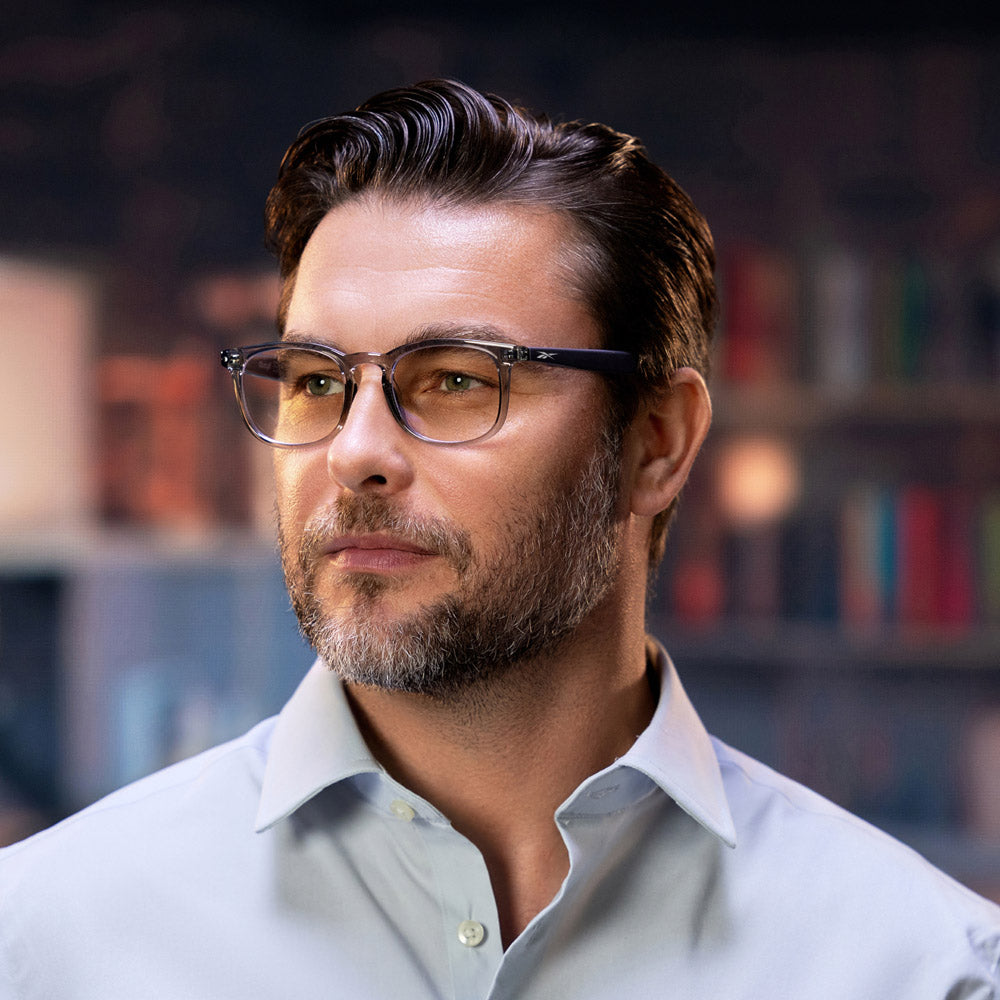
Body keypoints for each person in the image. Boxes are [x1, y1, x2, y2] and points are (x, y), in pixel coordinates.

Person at [1, 79, 998, 999]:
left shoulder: (917, 968)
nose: (354, 454)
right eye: (313, 380)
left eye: (455, 378)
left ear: (654, 443)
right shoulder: (44, 943)